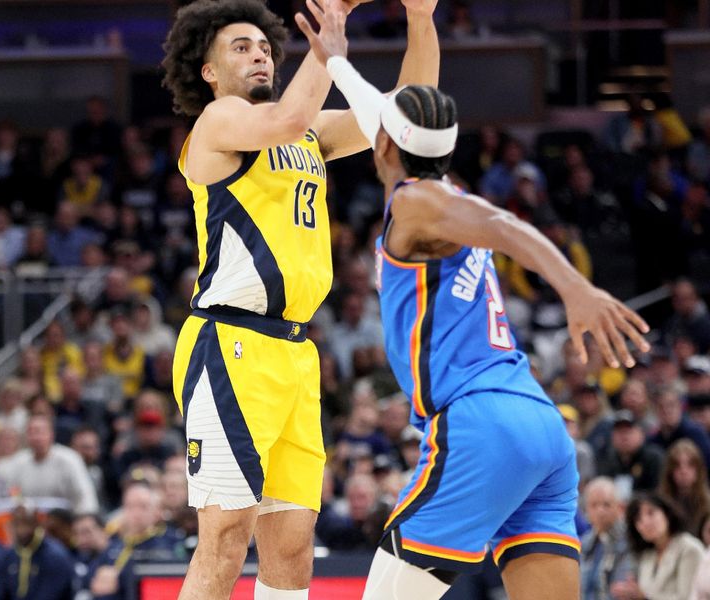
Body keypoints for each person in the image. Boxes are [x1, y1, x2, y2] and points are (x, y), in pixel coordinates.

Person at [301, 20, 651, 599]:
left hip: (478, 423)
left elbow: (503, 225)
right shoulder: (439, 193)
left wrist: (575, 288)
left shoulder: (415, 203)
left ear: (384, 144)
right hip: (540, 425)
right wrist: (402, 28)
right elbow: (378, 111)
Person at [161, 0, 441, 597]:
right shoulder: (218, 123)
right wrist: (331, 30)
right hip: (229, 344)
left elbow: (406, 121)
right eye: (240, 47)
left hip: (294, 352)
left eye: (263, 47)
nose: (259, 53)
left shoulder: (307, 130)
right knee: (225, 537)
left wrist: (420, 19)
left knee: (291, 549)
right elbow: (285, 122)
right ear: (207, 71)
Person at [612, 492, 704, 600]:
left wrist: (644, 597)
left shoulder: (689, 548)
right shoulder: (647, 554)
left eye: (651, 513)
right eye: (638, 519)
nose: (645, 522)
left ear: (666, 513)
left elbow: (687, 597)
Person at [1, 502, 74, 600]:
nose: (21, 530)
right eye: (16, 524)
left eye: (26, 523)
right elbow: (1, 591)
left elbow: (51, 594)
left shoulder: (55, 555)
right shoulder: (9, 555)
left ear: (36, 524)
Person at [581, 477, 635, 600]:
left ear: (620, 507)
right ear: (586, 510)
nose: (600, 511)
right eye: (594, 505)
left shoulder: (629, 540)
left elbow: (619, 590)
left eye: (606, 504)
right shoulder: (583, 543)